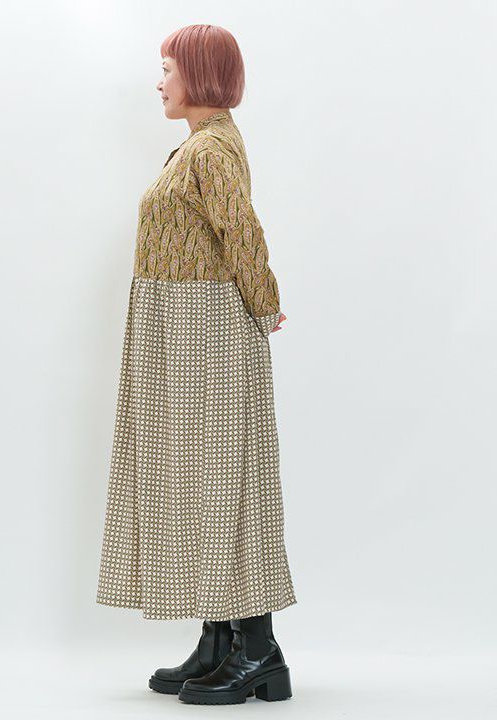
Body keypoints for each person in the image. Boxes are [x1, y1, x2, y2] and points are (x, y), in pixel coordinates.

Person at [96, 24, 297, 704]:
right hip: (184, 332)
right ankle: (220, 640)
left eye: (168, 69)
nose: (159, 82)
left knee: (223, 480)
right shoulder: (196, 147)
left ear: (201, 75)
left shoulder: (211, 149)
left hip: (206, 331)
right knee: (196, 481)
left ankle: (259, 650)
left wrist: (265, 304)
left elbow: (242, 230)